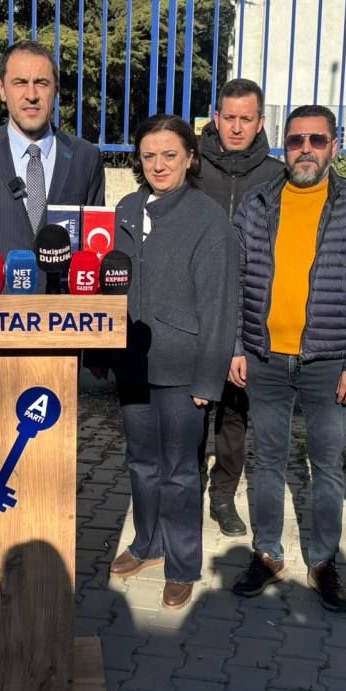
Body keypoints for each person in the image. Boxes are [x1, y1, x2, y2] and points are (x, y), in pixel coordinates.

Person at [228, 105, 346, 612]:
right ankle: (267, 554)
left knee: (328, 465)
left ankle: (322, 562)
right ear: (284, 145)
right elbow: (235, 280)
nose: (306, 150)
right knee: (267, 460)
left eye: (317, 140)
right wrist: (235, 346)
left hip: (328, 362)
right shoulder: (257, 202)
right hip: (265, 358)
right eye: (296, 141)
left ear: (335, 146)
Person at [96, 115, 238, 611]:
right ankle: (146, 544)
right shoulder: (126, 209)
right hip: (132, 361)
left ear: (190, 158)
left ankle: (182, 564)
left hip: (183, 368)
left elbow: (220, 306)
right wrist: (102, 350)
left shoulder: (209, 219)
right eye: (149, 155)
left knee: (180, 471)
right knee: (141, 462)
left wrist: (208, 379)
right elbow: (111, 285)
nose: (158, 165)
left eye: (169, 155)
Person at [190, 78, 284, 538]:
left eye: (247, 119)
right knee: (191, 405)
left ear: (261, 121)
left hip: (250, 306)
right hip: (193, 303)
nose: (237, 127)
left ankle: (223, 495)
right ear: (216, 117)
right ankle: (187, 486)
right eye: (229, 118)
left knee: (235, 410)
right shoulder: (192, 164)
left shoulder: (276, 174)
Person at [0, 40, 106, 257]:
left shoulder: (86, 158)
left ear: (56, 90)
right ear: (2, 89)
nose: (31, 95)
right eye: (20, 82)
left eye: (42, 83)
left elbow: (94, 250)